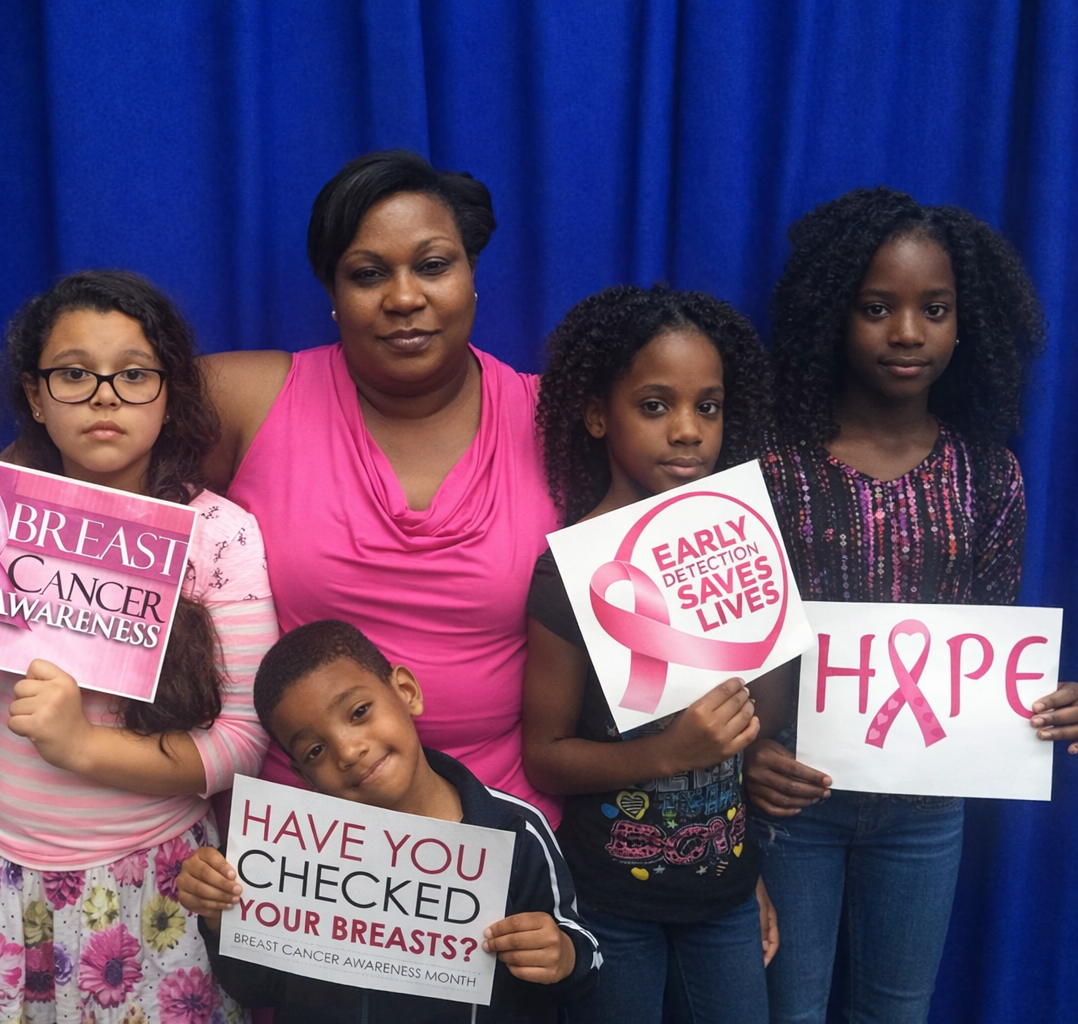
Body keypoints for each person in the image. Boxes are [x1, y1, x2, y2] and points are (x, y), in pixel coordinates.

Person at [0, 270, 277, 1023]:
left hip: (149, 888)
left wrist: (81, 746)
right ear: (35, 395)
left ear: (169, 393)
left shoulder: (219, 535)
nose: (104, 395)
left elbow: (244, 742)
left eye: (133, 375)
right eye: (74, 375)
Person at [747, 186, 1077, 1024]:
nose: (906, 332)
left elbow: (987, 652)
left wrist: (1047, 710)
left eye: (934, 309)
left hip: (927, 809)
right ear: (833, 314)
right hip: (795, 800)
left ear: (966, 323)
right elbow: (731, 650)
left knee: (897, 1012)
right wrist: (744, 761)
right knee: (788, 1008)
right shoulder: (774, 469)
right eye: (876, 308)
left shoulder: (988, 475)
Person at [204, 149, 562, 819]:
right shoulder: (248, 401)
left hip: (497, 832)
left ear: (472, 277)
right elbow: (69, 444)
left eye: (432, 266)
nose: (404, 298)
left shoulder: (561, 421)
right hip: (298, 842)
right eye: (368, 275)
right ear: (334, 297)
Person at [521, 285, 777, 1024]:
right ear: (599, 415)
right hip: (613, 902)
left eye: (709, 405)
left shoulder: (739, 544)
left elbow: (745, 733)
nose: (689, 431)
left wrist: (747, 870)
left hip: (726, 894)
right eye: (656, 406)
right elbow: (546, 755)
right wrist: (669, 753)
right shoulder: (568, 572)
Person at [177, 619, 600, 1021]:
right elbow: (257, 990)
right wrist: (220, 917)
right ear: (303, 776)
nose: (347, 751)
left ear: (406, 691)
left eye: (359, 711)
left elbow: (583, 963)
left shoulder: (514, 830)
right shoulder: (279, 857)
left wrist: (562, 955)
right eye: (315, 751)